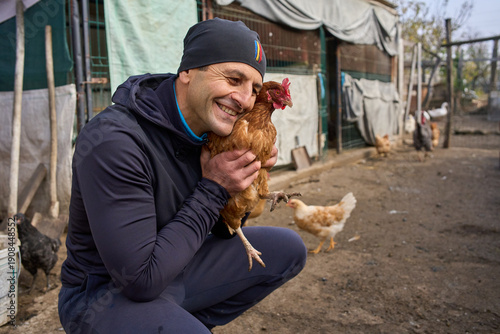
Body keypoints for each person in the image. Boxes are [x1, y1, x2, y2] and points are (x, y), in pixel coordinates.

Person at [58, 18, 307, 333]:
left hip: (176, 265)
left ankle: (178, 322)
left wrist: (244, 180)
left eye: (253, 89)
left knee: (288, 249)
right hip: (105, 293)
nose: (244, 99)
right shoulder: (114, 141)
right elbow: (138, 280)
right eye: (233, 79)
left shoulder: (212, 129)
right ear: (188, 71)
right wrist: (214, 188)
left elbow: (222, 229)